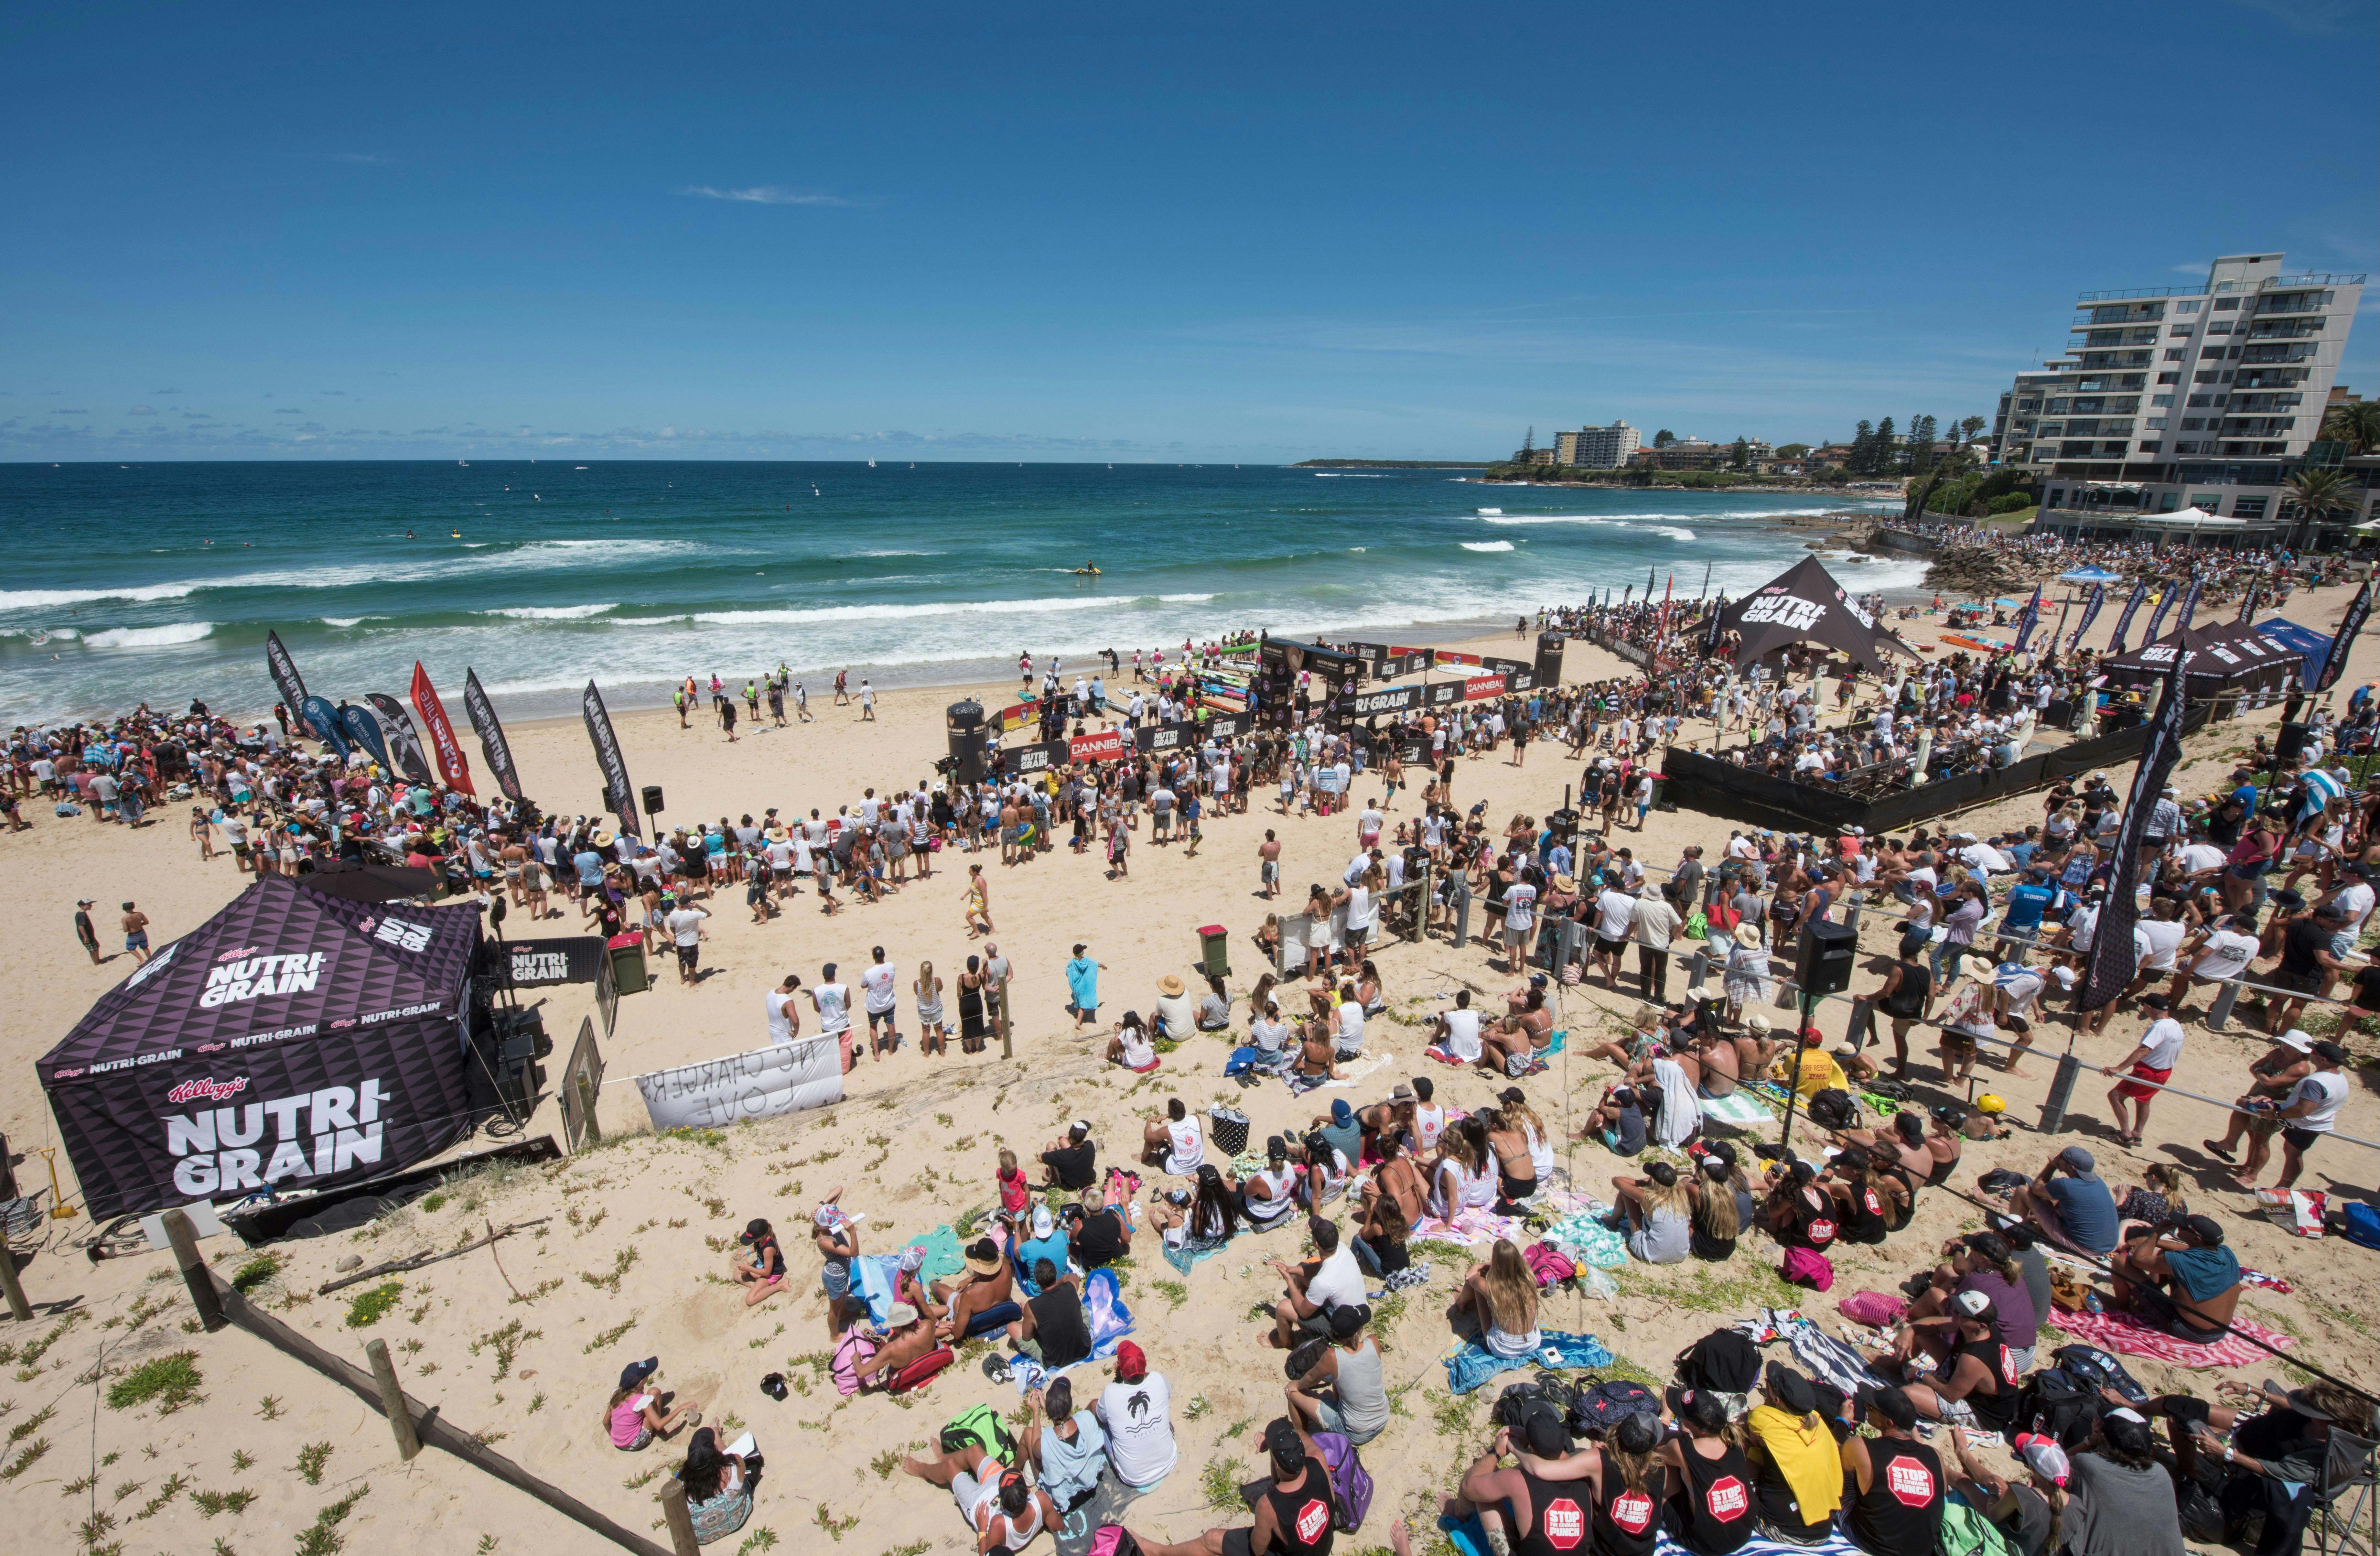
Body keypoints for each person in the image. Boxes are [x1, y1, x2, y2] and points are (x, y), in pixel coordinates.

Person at [2160, 1378, 2362, 1556]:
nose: (2308, 1414)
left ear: (2330, 1419)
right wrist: (2257, 1392)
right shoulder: (2326, 1423)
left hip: (2261, 1481)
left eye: (2314, 1412)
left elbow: (2280, 1472)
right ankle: (2189, 1473)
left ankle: (2189, 1476)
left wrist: (2229, 1454)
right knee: (2180, 1418)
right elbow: (2294, 1407)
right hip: (2248, 1448)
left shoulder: (2327, 1453)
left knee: (2183, 1429)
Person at [1130, 1417, 1334, 1556]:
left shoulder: (1269, 1505)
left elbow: (1257, 1550)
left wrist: (1272, 1455)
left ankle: (1157, 1552)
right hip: (1322, 1547)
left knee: (1211, 1539)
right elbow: (1304, 1437)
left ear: (1278, 1465)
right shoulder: (1318, 1458)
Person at [2060, 1409, 2186, 1556]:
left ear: (2105, 1437)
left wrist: (2092, 1440)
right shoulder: (2161, 1473)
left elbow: (2055, 1467)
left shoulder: (2088, 1465)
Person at [901, 1434, 1054, 1554]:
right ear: (1028, 1491)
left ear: (1002, 1505)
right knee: (974, 1450)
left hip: (977, 1501)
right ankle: (942, 1457)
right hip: (1005, 1487)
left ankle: (921, 1470)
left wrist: (982, 1530)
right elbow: (1059, 1528)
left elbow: (986, 1554)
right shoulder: (1041, 1502)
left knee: (950, 1467)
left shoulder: (999, 1525)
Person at [1895, 1291, 2019, 1435]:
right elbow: (1933, 1324)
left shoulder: (1974, 1358)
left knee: (1908, 1394)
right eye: (1957, 1307)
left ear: (1980, 1325)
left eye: (1961, 1313)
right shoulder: (1977, 1330)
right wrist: (1910, 1330)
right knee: (1922, 1334)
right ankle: (1894, 1365)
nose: (1954, 1312)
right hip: (1969, 1384)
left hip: (1983, 1414)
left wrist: (1920, 1374)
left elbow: (1950, 1395)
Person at [2203, 1028, 2316, 1187]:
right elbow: (2255, 1069)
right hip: (2257, 1096)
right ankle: (2247, 1165)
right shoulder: (2277, 1053)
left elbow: (2269, 1083)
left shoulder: (2301, 1068)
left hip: (2274, 1105)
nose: (2285, 1046)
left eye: (2290, 1045)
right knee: (2252, 1133)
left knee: (2261, 1141)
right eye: (2285, 1042)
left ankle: (2252, 1174)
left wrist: (2260, 1072)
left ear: (2300, 1051)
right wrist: (2262, 1074)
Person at [1743, 1363, 1842, 1542]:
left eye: (1768, 1385)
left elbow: (1754, 1427)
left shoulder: (1763, 1420)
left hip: (1782, 1529)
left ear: (1777, 1400)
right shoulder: (1818, 1422)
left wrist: (1768, 1404)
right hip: (1824, 1530)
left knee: (1743, 1444)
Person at [1840, 1386, 1944, 1556]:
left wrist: (1842, 1421)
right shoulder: (1936, 1457)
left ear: (1889, 1424)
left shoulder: (1861, 1447)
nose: (1865, 1406)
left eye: (1871, 1408)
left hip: (1872, 1545)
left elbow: (1837, 1457)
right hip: (1921, 1551)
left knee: (1843, 1477)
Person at [2109, 1213, 2242, 1341]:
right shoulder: (2225, 1253)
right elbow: (2186, 1249)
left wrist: (2156, 1233)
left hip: (2190, 1330)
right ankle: (2142, 1301)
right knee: (2167, 1254)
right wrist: (2158, 1243)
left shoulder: (2185, 1260)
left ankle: (2123, 1309)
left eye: (2183, 1228)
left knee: (2121, 1262)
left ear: (2197, 1239)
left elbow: (2138, 1260)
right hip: (2220, 1330)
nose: (2179, 1228)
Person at [1661, 1389, 1755, 1555]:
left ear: (1701, 1429)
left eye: (1683, 1415)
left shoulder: (1681, 1449)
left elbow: (1656, 1447)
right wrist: (1685, 1433)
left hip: (1706, 1543)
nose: (1681, 1416)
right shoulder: (1736, 1440)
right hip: (1742, 1532)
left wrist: (1666, 1418)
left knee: (1665, 1465)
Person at [2246, 1040, 2350, 1190]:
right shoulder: (2339, 1077)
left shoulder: (2316, 1082)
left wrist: (2276, 1114)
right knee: (2293, 1153)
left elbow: (2303, 1110)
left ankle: (2280, 1187)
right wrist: (2276, 1098)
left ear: (2323, 1060)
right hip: (2317, 1122)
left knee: (2246, 1104)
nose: (2311, 1053)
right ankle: (2282, 1187)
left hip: (2303, 1122)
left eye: (2315, 1052)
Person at [1284, 1302, 1388, 1447]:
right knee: (1341, 1378)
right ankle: (1337, 1408)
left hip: (1355, 1433)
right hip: (1382, 1418)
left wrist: (1297, 1384)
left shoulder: (1333, 1357)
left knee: (1292, 1393)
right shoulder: (1373, 1342)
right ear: (1359, 1330)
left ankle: (1302, 1439)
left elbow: (1311, 1379)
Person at [1265, 1216, 1365, 1349]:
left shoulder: (1322, 1281)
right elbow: (1320, 1266)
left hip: (1344, 1332)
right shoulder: (1342, 1249)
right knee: (1301, 1271)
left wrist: (1289, 1279)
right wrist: (1291, 1269)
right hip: (1358, 1315)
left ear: (1317, 1244)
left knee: (1283, 1308)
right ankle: (1306, 1301)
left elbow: (1303, 1312)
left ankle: (1284, 1342)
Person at [2100, 993, 2183, 1148]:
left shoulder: (2159, 1027)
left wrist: (2118, 1068)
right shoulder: (2175, 1024)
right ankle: (2137, 1134)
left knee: (2115, 1096)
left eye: (2144, 1007)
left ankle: (2125, 1135)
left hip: (2149, 1072)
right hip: (2164, 1071)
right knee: (2143, 1100)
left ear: (2149, 1008)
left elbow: (2144, 1051)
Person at [1018, 1376, 1107, 1518]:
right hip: (1091, 1484)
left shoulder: (1046, 1441)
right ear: (1071, 1405)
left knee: (1029, 1434)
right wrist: (1051, 1410)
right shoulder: (1086, 1418)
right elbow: (1066, 1426)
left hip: (1068, 1499)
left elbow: (1036, 1448)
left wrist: (1037, 1412)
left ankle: (1015, 1469)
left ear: (1048, 1411)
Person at [1097, 1342, 1178, 1492]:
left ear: (1121, 1370)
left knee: (1101, 1422)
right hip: (1169, 1462)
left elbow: (1101, 1418)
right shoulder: (1158, 1379)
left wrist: (1117, 1379)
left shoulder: (1111, 1392)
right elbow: (1169, 1394)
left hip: (1133, 1477)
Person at [2015, 1146, 2119, 1256]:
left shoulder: (2065, 1185)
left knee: (2023, 1191)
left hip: (2083, 1249)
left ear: (2071, 1168)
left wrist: (2051, 1166)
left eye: (2061, 1158)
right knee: (2053, 1202)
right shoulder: (2099, 1182)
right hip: (2110, 1246)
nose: (2058, 1158)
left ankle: (2013, 1229)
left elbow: (2036, 1189)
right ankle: (2035, 1227)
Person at [1448, 1238, 1540, 1362]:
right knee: (1486, 1289)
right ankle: (1465, 1299)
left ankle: (1461, 1304)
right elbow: (1509, 1267)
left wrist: (1477, 1266)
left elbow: (1470, 1277)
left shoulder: (1491, 1288)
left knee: (1479, 1281)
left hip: (1504, 1349)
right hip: (1533, 1343)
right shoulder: (1530, 1278)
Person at [676, 1426, 756, 1544]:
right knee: (752, 1466)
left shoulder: (684, 1487)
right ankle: (716, 1434)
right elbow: (738, 1468)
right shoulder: (733, 1466)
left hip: (704, 1538)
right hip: (738, 1520)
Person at [1008, 1258, 1092, 1369]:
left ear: (1037, 1281)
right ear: (1056, 1273)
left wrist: (1027, 1316)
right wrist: (1057, 1285)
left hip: (1056, 1362)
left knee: (1012, 1327)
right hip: (1084, 1349)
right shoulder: (1070, 1287)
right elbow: (1072, 1276)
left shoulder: (1031, 1306)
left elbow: (1027, 1337)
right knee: (1078, 1306)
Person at [1610, 1159, 1693, 1265]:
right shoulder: (1682, 1197)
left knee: (1626, 1194)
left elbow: (1616, 1181)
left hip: (1651, 1254)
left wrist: (1641, 1182)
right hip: (1681, 1254)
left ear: (1653, 1181)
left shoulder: (1649, 1199)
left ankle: (1612, 1221)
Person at [608, 1356, 698, 1450]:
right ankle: (655, 1433)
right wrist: (681, 1408)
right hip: (636, 1442)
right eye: (646, 1374)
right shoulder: (641, 1400)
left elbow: (606, 1422)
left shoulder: (617, 1395)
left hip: (617, 1443)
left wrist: (616, 1437)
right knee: (655, 1393)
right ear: (641, 1383)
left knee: (649, 1397)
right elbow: (658, 1425)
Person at [730, 1218, 788, 1307]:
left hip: (772, 1274)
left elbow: (767, 1272)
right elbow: (756, 1248)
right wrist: (745, 1253)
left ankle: (781, 1285)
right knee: (736, 1275)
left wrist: (748, 1268)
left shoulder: (769, 1249)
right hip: (761, 1267)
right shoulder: (762, 1239)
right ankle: (759, 1289)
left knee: (750, 1300)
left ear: (761, 1236)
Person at [1142, 1097, 1204, 1175]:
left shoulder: (1168, 1130)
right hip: (1198, 1164)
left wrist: (1149, 1121)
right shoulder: (1196, 1118)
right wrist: (1169, 1115)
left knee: (1154, 1134)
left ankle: (1143, 1158)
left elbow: (1147, 1136)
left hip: (1179, 1169)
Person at [859, 945, 900, 1059]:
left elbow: (863, 985)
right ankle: (891, 1050)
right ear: (884, 956)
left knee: (873, 1026)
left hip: (875, 1006)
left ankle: (877, 1054)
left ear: (873, 957)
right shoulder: (891, 966)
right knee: (891, 1026)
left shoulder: (869, 973)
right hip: (889, 1003)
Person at [812, 963, 854, 1073]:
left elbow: (817, 1008)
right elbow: (848, 1005)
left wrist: (827, 1013)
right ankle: (844, 1069)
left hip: (827, 1026)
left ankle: (832, 1070)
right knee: (844, 1048)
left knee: (830, 1050)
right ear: (834, 974)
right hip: (842, 1024)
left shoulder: (817, 991)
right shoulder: (843, 988)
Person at [1040, 1121, 1097, 1191]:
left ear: (1071, 1137)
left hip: (1070, 1186)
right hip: (1089, 1181)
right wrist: (1067, 1137)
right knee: (1062, 1140)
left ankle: (1052, 1178)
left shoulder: (1062, 1155)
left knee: (1050, 1145)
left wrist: (1058, 1150)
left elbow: (1040, 1158)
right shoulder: (1090, 1145)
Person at [663, 897, 707, 985]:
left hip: (680, 943)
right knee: (692, 964)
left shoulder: (674, 914)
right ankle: (692, 982)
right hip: (691, 943)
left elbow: (672, 927)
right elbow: (708, 914)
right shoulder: (693, 914)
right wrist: (698, 906)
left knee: (682, 961)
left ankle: (683, 979)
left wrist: (676, 934)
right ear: (689, 904)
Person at [1066, 943, 1105, 1030]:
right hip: (1084, 988)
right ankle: (1078, 1023)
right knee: (1083, 1006)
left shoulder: (1071, 964)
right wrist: (1104, 966)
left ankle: (1078, 1016)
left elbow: (1068, 973)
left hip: (1077, 987)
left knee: (1078, 1001)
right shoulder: (1087, 961)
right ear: (1082, 953)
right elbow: (1096, 964)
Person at [73, 898, 100, 965]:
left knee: (96, 947)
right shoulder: (82, 915)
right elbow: (81, 927)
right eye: (89, 905)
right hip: (87, 937)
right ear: (83, 906)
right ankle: (96, 963)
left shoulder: (82, 914)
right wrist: (86, 937)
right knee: (92, 951)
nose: (91, 906)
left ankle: (98, 961)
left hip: (90, 936)